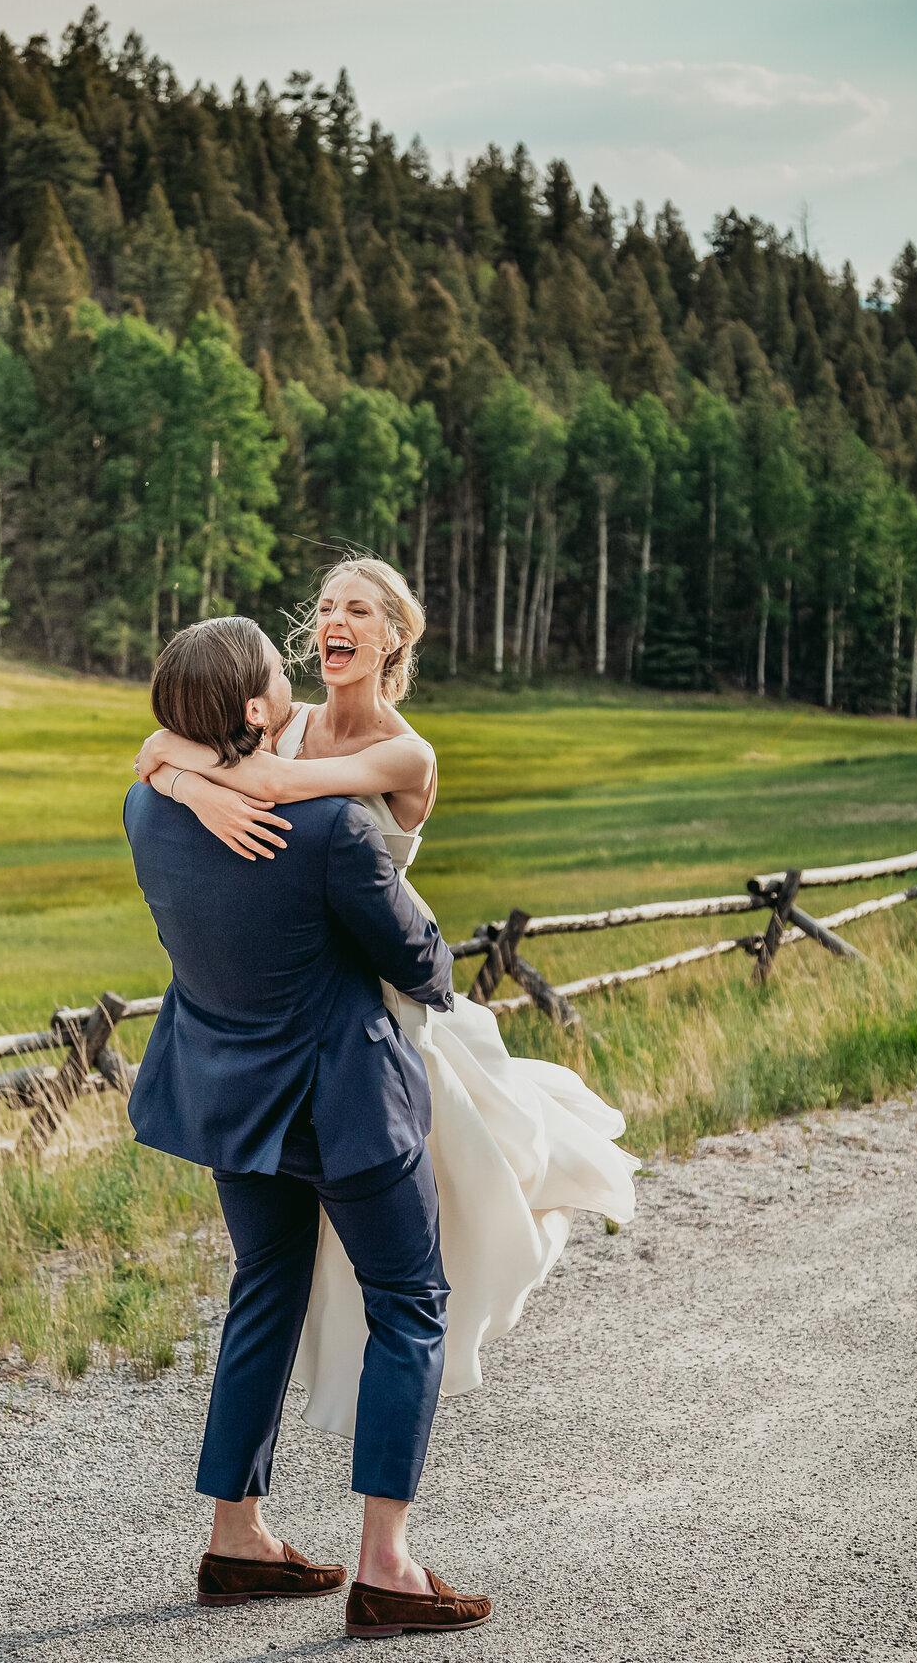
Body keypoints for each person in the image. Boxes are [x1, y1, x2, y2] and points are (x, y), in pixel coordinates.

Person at [135, 558, 639, 1441]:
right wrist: (185, 784)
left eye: (357, 609)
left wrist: (196, 783)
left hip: (381, 1007)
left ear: (392, 637)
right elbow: (159, 747)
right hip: (303, 1011)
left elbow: (279, 789)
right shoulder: (283, 719)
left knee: (456, 1219)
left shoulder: (405, 753)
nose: (334, 620)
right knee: (302, 1267)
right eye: (325, 607)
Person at [123, 614, 493, 1641]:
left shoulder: (147, 808)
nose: (292, 678)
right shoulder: (329, 829)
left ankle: (236, 1536)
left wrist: (187, 777)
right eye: (273, 675)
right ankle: (387, 1566)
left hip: (232, 1101)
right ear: (252, 712)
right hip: (342, 1104)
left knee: (264, 1295)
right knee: (410, 1302)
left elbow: (158, 759)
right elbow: (420, 963)